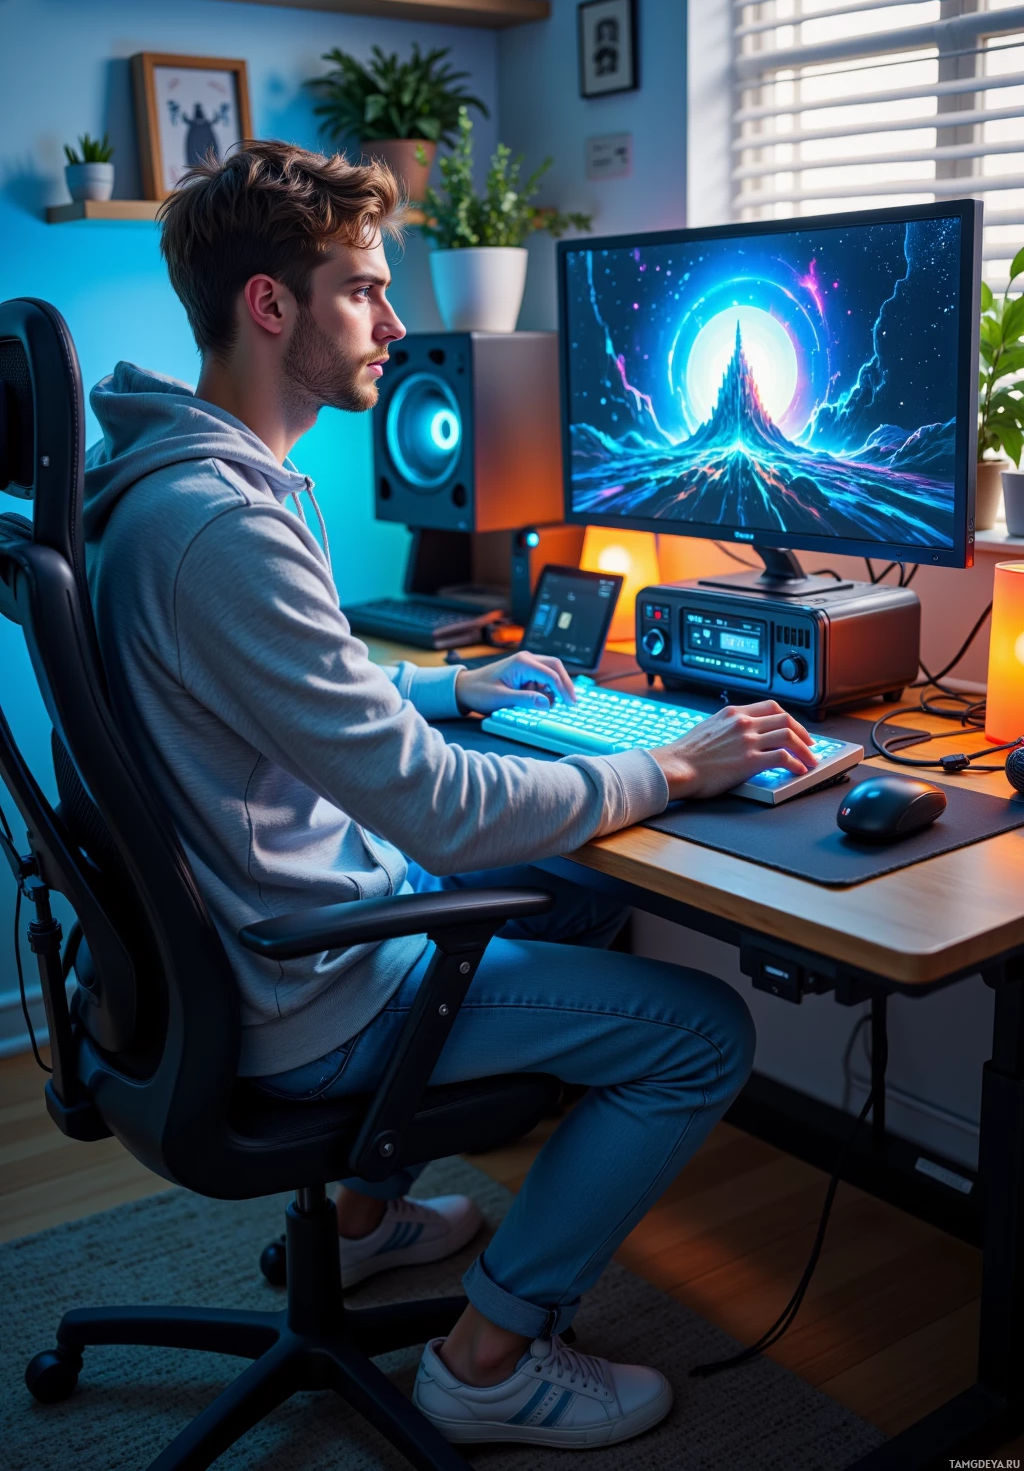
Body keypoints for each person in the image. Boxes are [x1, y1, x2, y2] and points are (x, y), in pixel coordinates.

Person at [83, 141, 818, 1449]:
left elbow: (260, 695)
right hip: (306, 986)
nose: (395, 325)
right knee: (702, 1034)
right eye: (365, 290)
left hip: (247, 936)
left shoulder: (166, 482)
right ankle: (487, 1360)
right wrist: (672, 763)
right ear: (271, 305)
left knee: (578, 894)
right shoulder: (225, 527)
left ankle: (364, 1220)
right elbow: (441, 815)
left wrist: (444, 688)